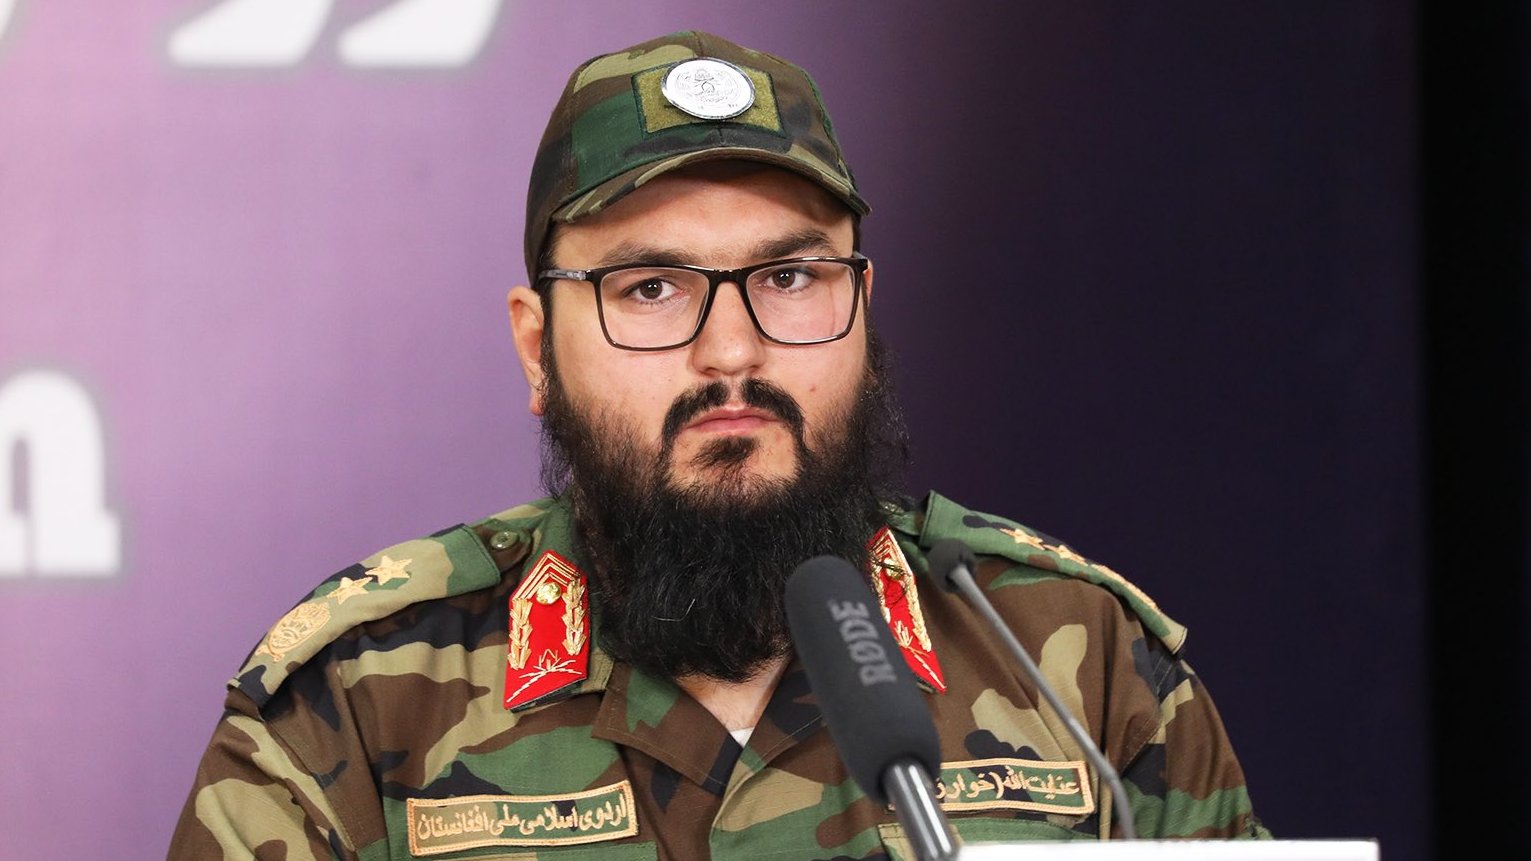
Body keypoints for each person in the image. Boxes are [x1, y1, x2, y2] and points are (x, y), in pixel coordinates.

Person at [169, 30, 1269, 859]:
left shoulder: (1079, 666)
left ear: (864, 309)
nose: (732, 351)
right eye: (650, 288)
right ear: (537, 349)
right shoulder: (359, 698)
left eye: (789, 277)